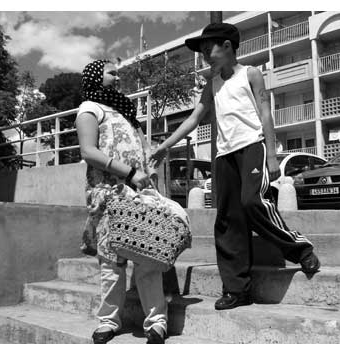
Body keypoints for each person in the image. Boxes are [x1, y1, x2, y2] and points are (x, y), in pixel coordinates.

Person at [150, 23, 321, 311]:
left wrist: (272, 156)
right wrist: (165, 145)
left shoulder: (250, 73)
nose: (205, 55)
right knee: (228, 220)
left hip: (253, 147)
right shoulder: (212, 84)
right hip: (224, 156)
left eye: (209, 49)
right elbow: (194, 119)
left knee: (252, 202)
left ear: (227, 46)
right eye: (202, 51)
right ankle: (236, 289)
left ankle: (300, 249)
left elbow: (265, 111)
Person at [76, 59, 167, 344]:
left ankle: (157, 321)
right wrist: (130, 173)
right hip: (109, 195)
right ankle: (108, 321)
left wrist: (149, 166)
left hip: (140, 196)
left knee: (148, 258)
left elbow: (143, 146)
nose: (117, 77)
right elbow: (89, 152)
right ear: (95, 76)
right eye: (111, 72)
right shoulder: (89, 109)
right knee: (112, 262)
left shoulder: (126, 111)